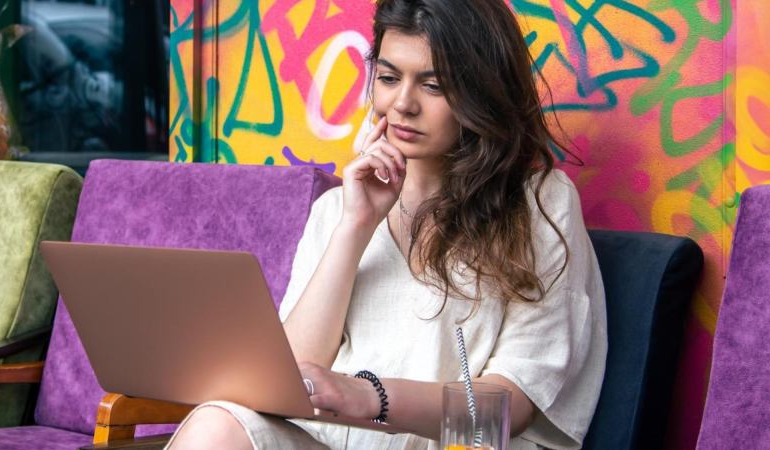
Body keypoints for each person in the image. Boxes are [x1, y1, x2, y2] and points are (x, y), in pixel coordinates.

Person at [166, 0, 606, 449]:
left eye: (433, 86)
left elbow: (509, 409)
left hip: (456, 444)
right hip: (329, 442)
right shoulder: (338, 209)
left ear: (482, 93)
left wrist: (368, 396)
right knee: (217, 425)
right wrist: (356, 226)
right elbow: (291, 383)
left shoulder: (538, 204)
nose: (402, 104)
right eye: (390, 78)